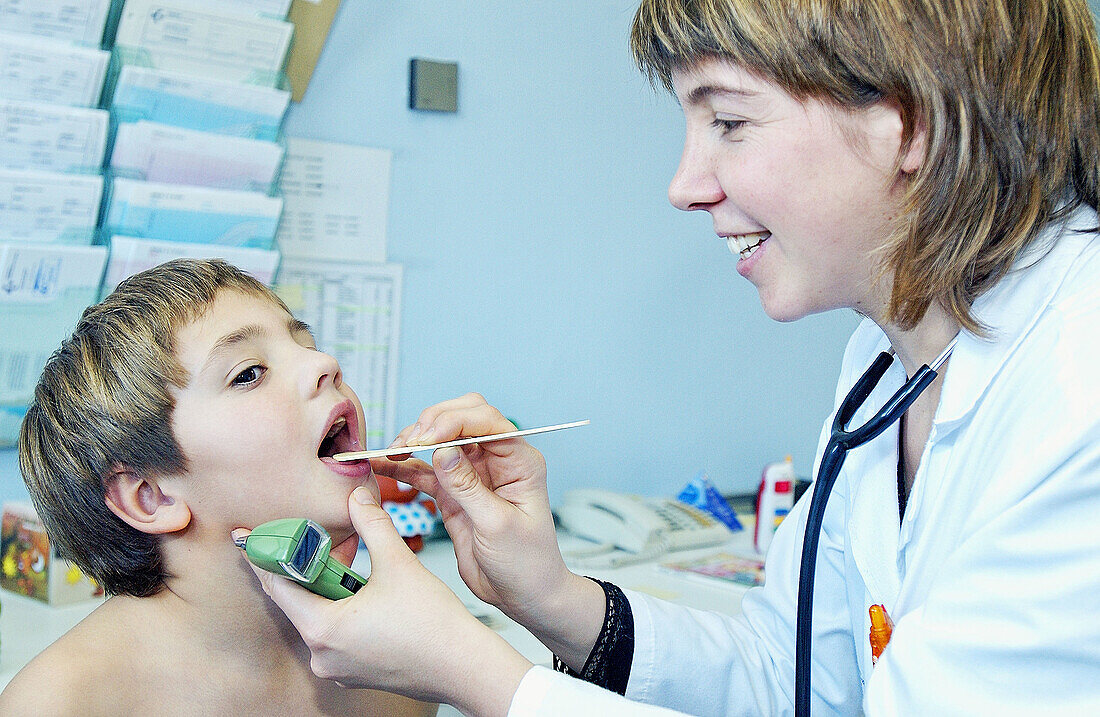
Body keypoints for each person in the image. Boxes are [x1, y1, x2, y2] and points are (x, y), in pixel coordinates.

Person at [239, 0, 1100, 714]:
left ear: (907, 123)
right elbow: (793, 671)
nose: (685, 184)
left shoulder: (1078, 394)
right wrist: (550, 600)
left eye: (728, 120)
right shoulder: (885, 360)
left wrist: (476, 673)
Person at [0, 259, 435, 716]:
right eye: (249, 373)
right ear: (149, 496)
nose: (325, 363)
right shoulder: (59, 704)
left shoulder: (398, 668)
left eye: (306, 344)